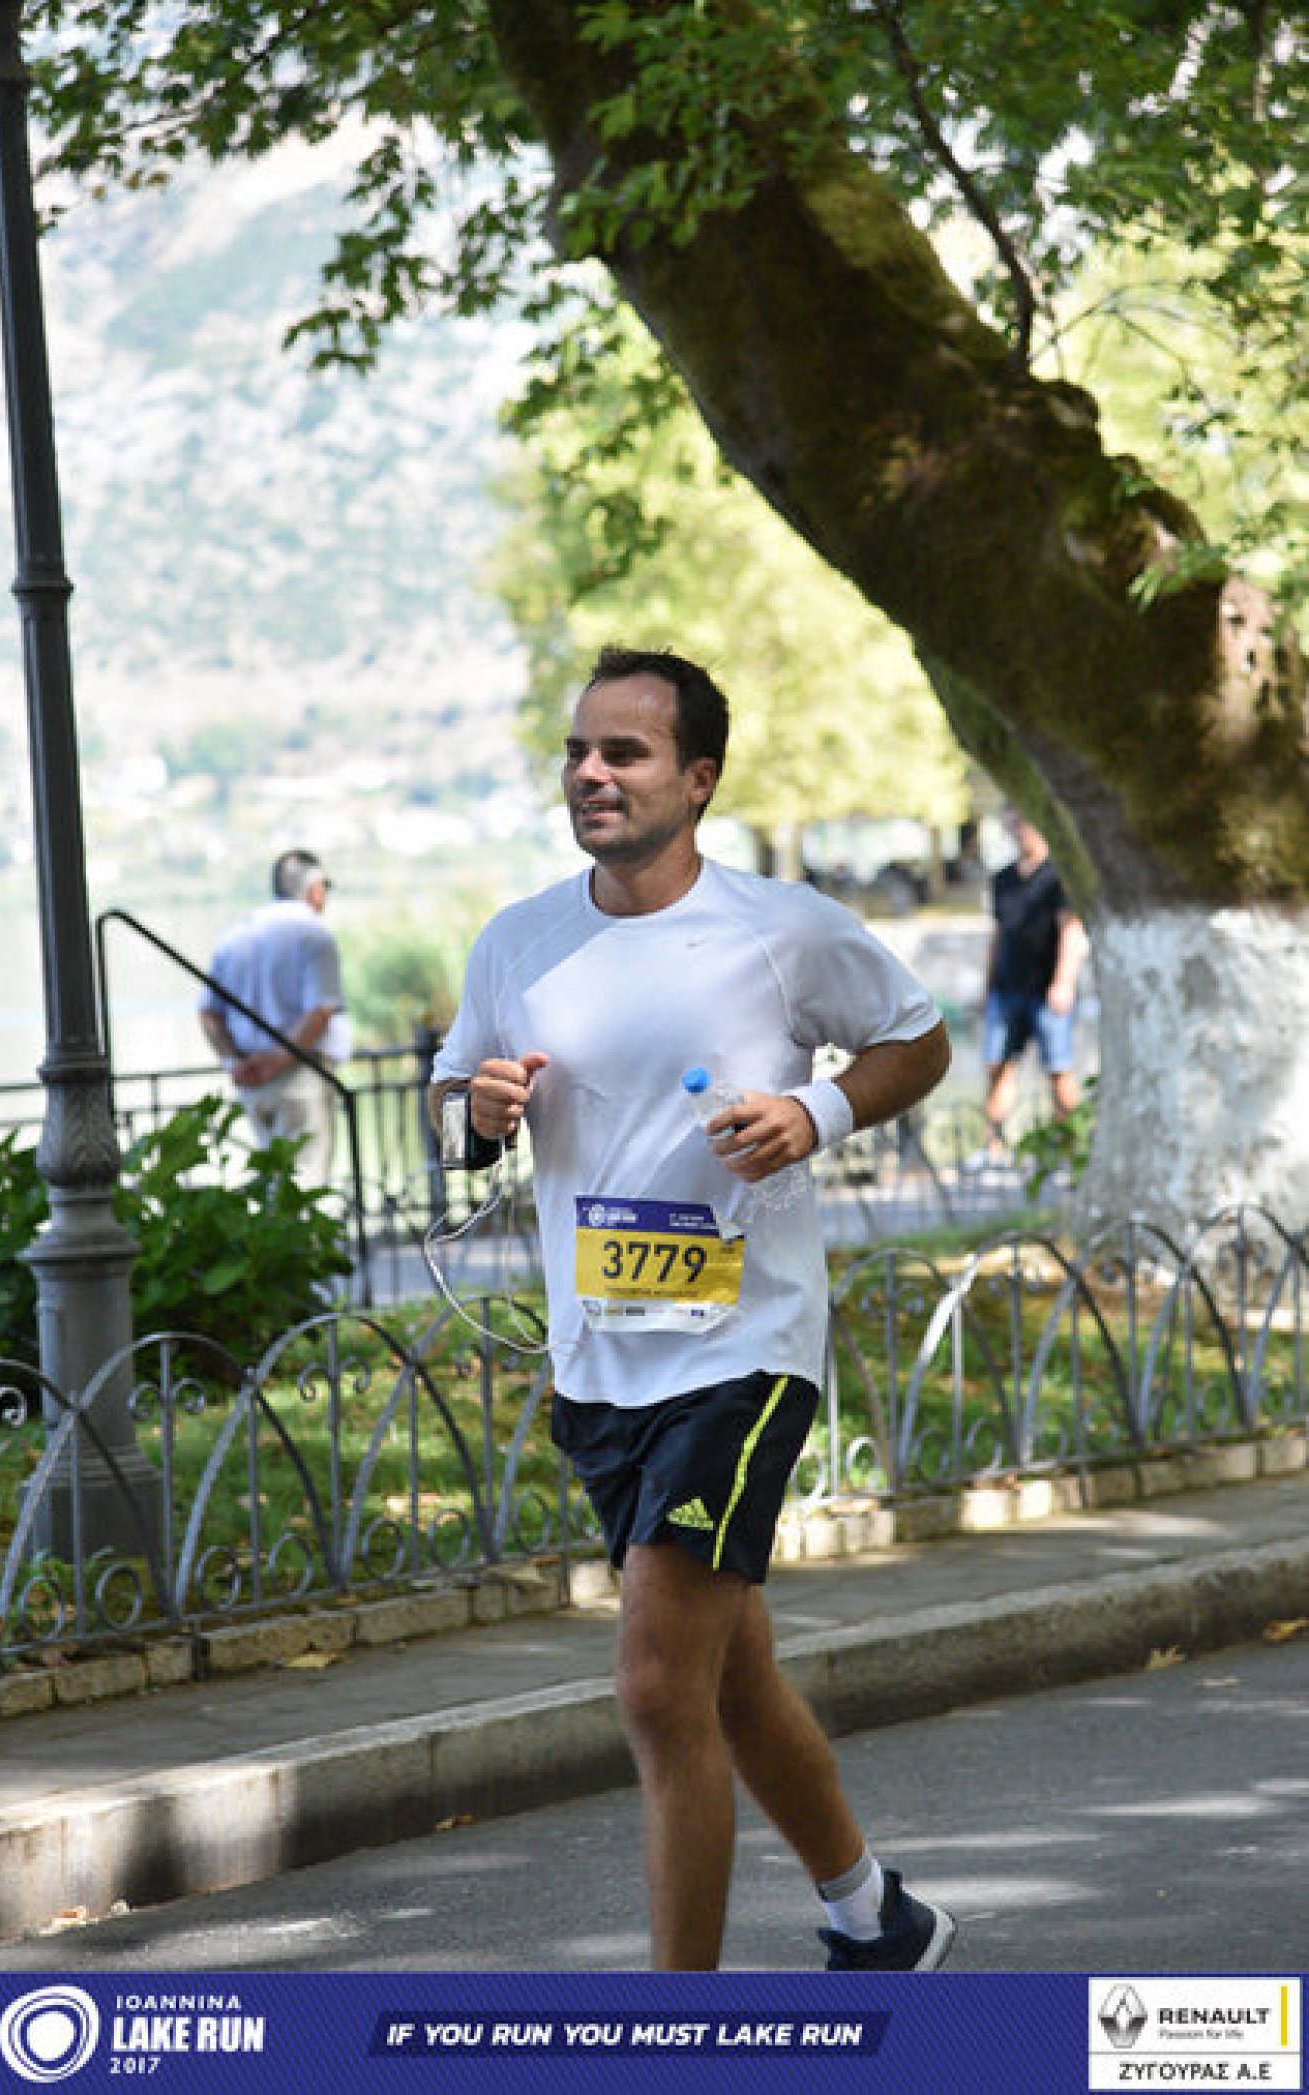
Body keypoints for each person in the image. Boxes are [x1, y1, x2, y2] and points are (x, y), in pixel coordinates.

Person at [429, 644, 956, 1973]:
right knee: (730, 1675)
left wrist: (815, 1110)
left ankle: (676, 2029)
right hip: (600, 1359)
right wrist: (474, 1115)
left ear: (698, 778)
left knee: (658, 1687)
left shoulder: (781, 927)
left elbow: (917, 1037)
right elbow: (450, 1105)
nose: (590, 773)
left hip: (743, 1349)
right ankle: (875, 1917)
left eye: (625, 751)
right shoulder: (519, 939)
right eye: (576, 750)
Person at [199, 848, 349, 1185]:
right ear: (315, 889)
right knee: (305, 1182)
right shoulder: (314, 934)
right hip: (299, 1075)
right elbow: (320, 1011)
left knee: (273, 1182)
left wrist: (234, 1061)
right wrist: (278, 1060)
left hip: (250, 1080)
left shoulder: (235, 936)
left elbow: (208, 1012)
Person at [981, 808, 1088, 1159]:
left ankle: (1070, 1149)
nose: (1019, 830)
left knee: (1058, 1069)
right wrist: (987, 985)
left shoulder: (1059, 876)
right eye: (1012, 823)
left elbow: (1071, 929)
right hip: (1007, 988)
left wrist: (1064, 982)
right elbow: (998, 934)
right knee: (998, 1067)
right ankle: (992, 1149)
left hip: (1046, 991)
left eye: (1024, 822)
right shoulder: (1002, 879)